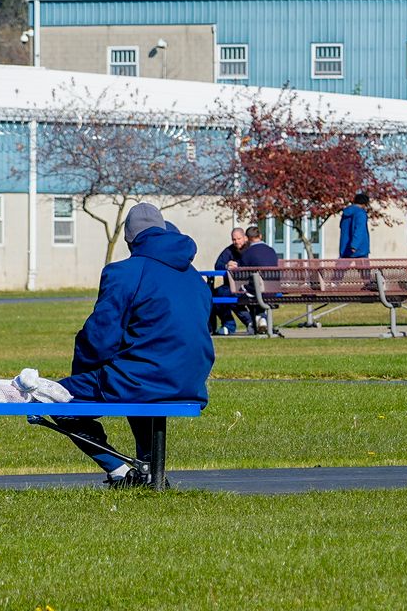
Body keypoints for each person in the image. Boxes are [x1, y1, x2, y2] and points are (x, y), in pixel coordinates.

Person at [54, 203, 214, 484]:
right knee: (137, 377)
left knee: (50, 397)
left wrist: (82, 375)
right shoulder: (195, 278)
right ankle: (151, 470)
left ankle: (120, 470)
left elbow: (99, 338)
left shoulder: (125, 272)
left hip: (145, 378)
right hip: (191, 380)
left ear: (130, 239)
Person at [234, 224, 281, 336]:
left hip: (256, 290)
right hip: (272, 290)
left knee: (233, 296)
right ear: (260, 236)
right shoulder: (271, 251)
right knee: (256, 293)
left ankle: (252, 322)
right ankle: (261, 318)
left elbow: (240, 273)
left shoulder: (247, 253)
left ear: (247, 238)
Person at [208, 224, 251, 335]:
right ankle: (228, 324)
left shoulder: (251, 250)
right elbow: (218, 265)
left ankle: (249, 323)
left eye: (239, 239)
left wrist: (240, 267)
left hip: (249, 285)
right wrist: (227, 266)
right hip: (230, 286)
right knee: (216, 294)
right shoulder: (229, 251)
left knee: (231, 295)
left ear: (245, 237)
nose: (236, 242)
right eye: (234, 239)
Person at [337, 192, 371, 259]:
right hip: (360, 249)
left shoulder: (345, 213)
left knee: (340, 268)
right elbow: (359, 230)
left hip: (345, 247)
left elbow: (341, 226)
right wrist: (354, 245)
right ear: (364, 204)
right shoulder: (361, 213)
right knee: (364, 268)